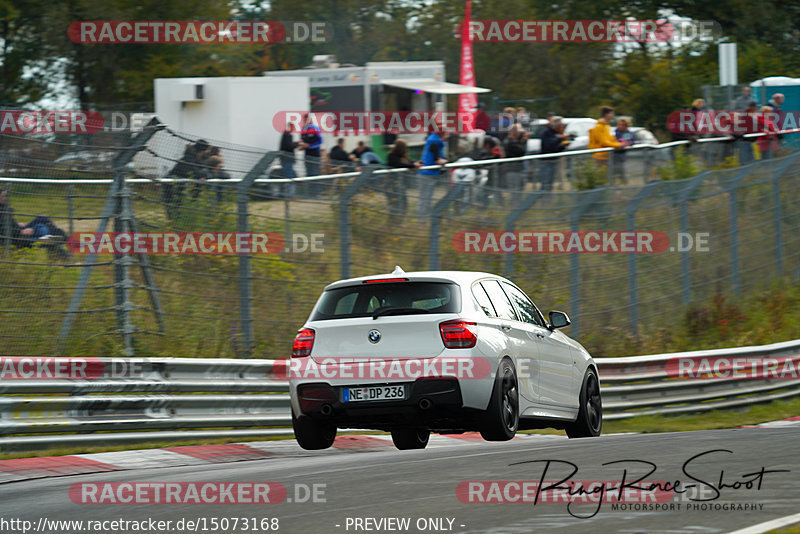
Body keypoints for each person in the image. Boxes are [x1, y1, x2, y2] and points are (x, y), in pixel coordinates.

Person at [0, 187, 67, 255]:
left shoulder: (3, 208)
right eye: (3, 196)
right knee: (41, 227)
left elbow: (8, 223)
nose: (5, 198)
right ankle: (60, 240)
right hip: (17, 236)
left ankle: (59, 237)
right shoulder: (1, 211)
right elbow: (3, 229)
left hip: (18, 230)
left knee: (42, 218)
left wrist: (18, 225)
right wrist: (20, 231)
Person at [163, 140, 209, 220]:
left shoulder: (199, 160)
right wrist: (202, 175)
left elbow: (206, 172)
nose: (208, 152)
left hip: (181, 186)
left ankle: (177, 220)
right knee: (174, 205)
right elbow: (194, 172)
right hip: (172, 185)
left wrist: (203, 175)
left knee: (180, 205)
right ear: (202, 151)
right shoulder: (188, 159)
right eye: (206, 150)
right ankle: (174, 221)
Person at [416, 126, 448, 216]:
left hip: (428, 173)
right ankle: (421, 219)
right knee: (425, 198)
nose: (447, 136)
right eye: (446, 134)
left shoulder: (434, 139)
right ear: (442, 134)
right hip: (428, 174)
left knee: (426, 197)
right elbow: (438, 160)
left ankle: (423, 217)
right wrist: (444, 161)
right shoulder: (435, 142)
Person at [386, 139, 420, 218]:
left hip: (400, 184)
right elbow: (399, 164)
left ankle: (399, 222)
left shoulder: (403, 156)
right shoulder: (391, 156)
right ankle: (393, 223)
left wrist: (417, 163)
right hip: (392, 184)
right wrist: (413, 166)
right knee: (395, 205)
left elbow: (409, 163)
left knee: (404, 204)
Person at [539, 116, 571, 191]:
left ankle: (548, 200)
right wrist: (560, 138)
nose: (562, 127)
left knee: (550, 183)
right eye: (561, 125)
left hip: (554, 161)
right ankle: (544, 199)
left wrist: (563, 145)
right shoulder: (546, 133)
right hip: (546, 162)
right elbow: (548, 145)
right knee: (545, 183)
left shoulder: (557, 133)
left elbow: (556, 148)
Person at [299, 117, 322, 196]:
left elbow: (320, 142)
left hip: (315, 155)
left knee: (315, 174)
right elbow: (302, 141)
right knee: (308, 174)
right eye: (304, 120)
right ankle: (310, 193)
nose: (305, 121)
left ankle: (316, 193)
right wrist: (301, 145)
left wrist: (309, 146)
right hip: (307, 155)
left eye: (306, 120)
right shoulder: (303, 129)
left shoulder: (315, 128)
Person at [502, 124, 529, 195]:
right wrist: (525, 140)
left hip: (519, 169)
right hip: (512, 170)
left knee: (520, 191)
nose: (521, 134)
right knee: (515, 191)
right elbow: (522, 151)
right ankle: (514, 205)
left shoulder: (515, 141)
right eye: (520, 133)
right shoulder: (510, 142)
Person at [613, 117, 635, 184]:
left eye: (622, 125)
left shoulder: (628, 133)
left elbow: (630, 141)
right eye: (619, 124)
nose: (620, 126)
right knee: (615, 169)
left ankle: (623, 182)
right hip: (614, 154)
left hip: (622, 154)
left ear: (626, 126)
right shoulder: (616, 132)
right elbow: (616, 141)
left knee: (621, 169)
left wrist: (628, 143)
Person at [279, 126, 298, 198]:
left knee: (286, 176)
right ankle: (290, 195)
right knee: (289, 177)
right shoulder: (287, 135)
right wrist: (296, 144)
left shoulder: (284, 135)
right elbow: (289, 146)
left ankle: (287, 194)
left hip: (285, 159)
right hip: (287, 160)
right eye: (292, 127)